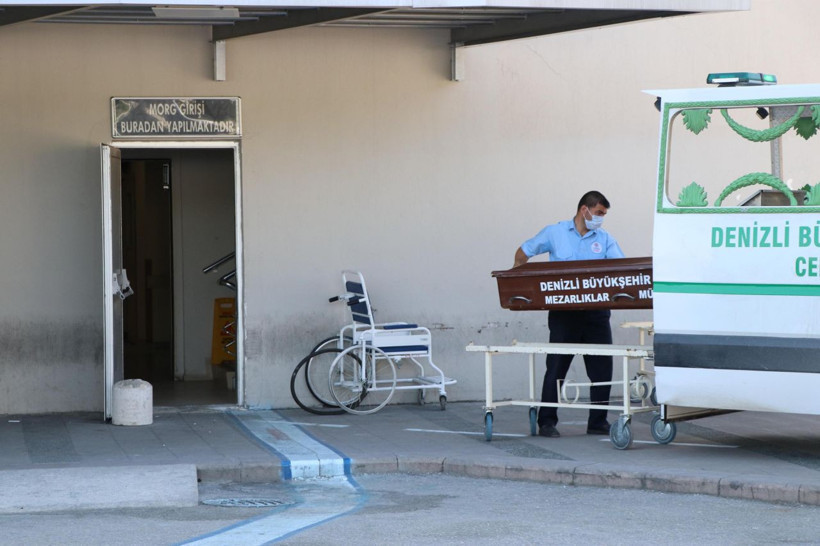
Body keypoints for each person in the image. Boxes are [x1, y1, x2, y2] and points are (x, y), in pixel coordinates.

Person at [513, 190, 624, 438]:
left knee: (602, 369)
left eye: (604, 215)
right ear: (584, 210)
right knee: (556, 368)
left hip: (596, 314)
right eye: (598, 213)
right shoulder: (556, 233)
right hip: (564, 314)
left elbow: (620, 268)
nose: (601, 218)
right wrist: (520, 283)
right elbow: (523, 252)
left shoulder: (604, 239)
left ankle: (598, 421)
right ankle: (547, 422)